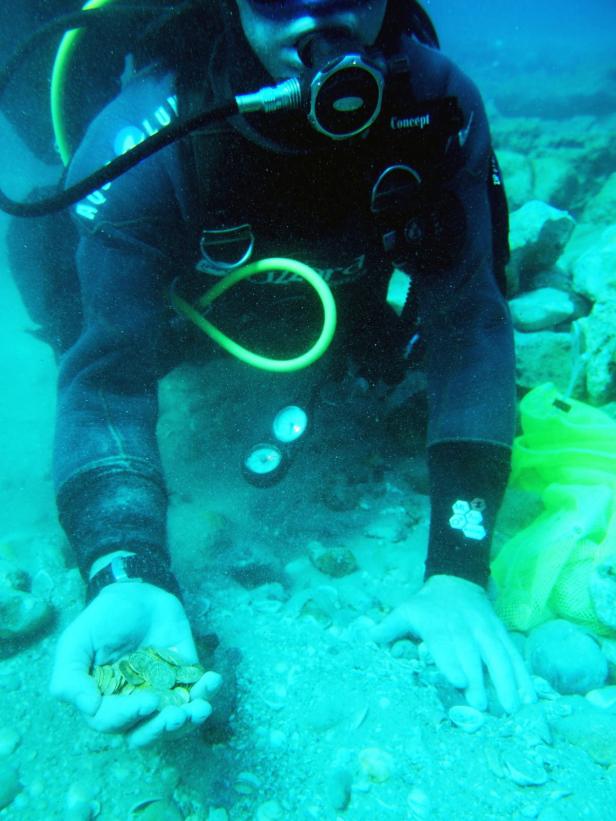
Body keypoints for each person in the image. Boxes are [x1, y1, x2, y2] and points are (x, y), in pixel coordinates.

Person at [15, 0, 535, 748]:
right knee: (64, 283)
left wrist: (458, 571)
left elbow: (472, 322)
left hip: (320, 303)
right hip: (188, 312)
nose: (318, 14)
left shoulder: (439, 102)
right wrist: (126, 568)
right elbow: (107, 379)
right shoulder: (143, 137)